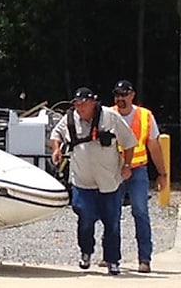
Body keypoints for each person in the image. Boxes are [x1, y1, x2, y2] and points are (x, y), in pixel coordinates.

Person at [49, 86, 136, 275]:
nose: (79, 108)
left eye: (83, 104)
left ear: (92, 103)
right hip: (82, 181)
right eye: (77, 105)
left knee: (112, 223)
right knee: (85, 219)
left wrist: (127, 165)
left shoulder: (110, 117)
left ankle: (113, 261)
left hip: (109, 181)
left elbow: (129, 141)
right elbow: (56, 134)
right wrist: (56, 149)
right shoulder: (70, 119)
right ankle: (86, 252)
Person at [111, 79, 168, 273]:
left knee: (141, 213)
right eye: (117, 95)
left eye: (124, 95)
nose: (120, 99)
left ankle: (144, 259)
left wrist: (162, 174)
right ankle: (110, 257)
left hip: (137, 171)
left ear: (132, 95)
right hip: (114, 171)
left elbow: (154, 147)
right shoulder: (108, 115)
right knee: (111, 214)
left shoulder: (145, 116)